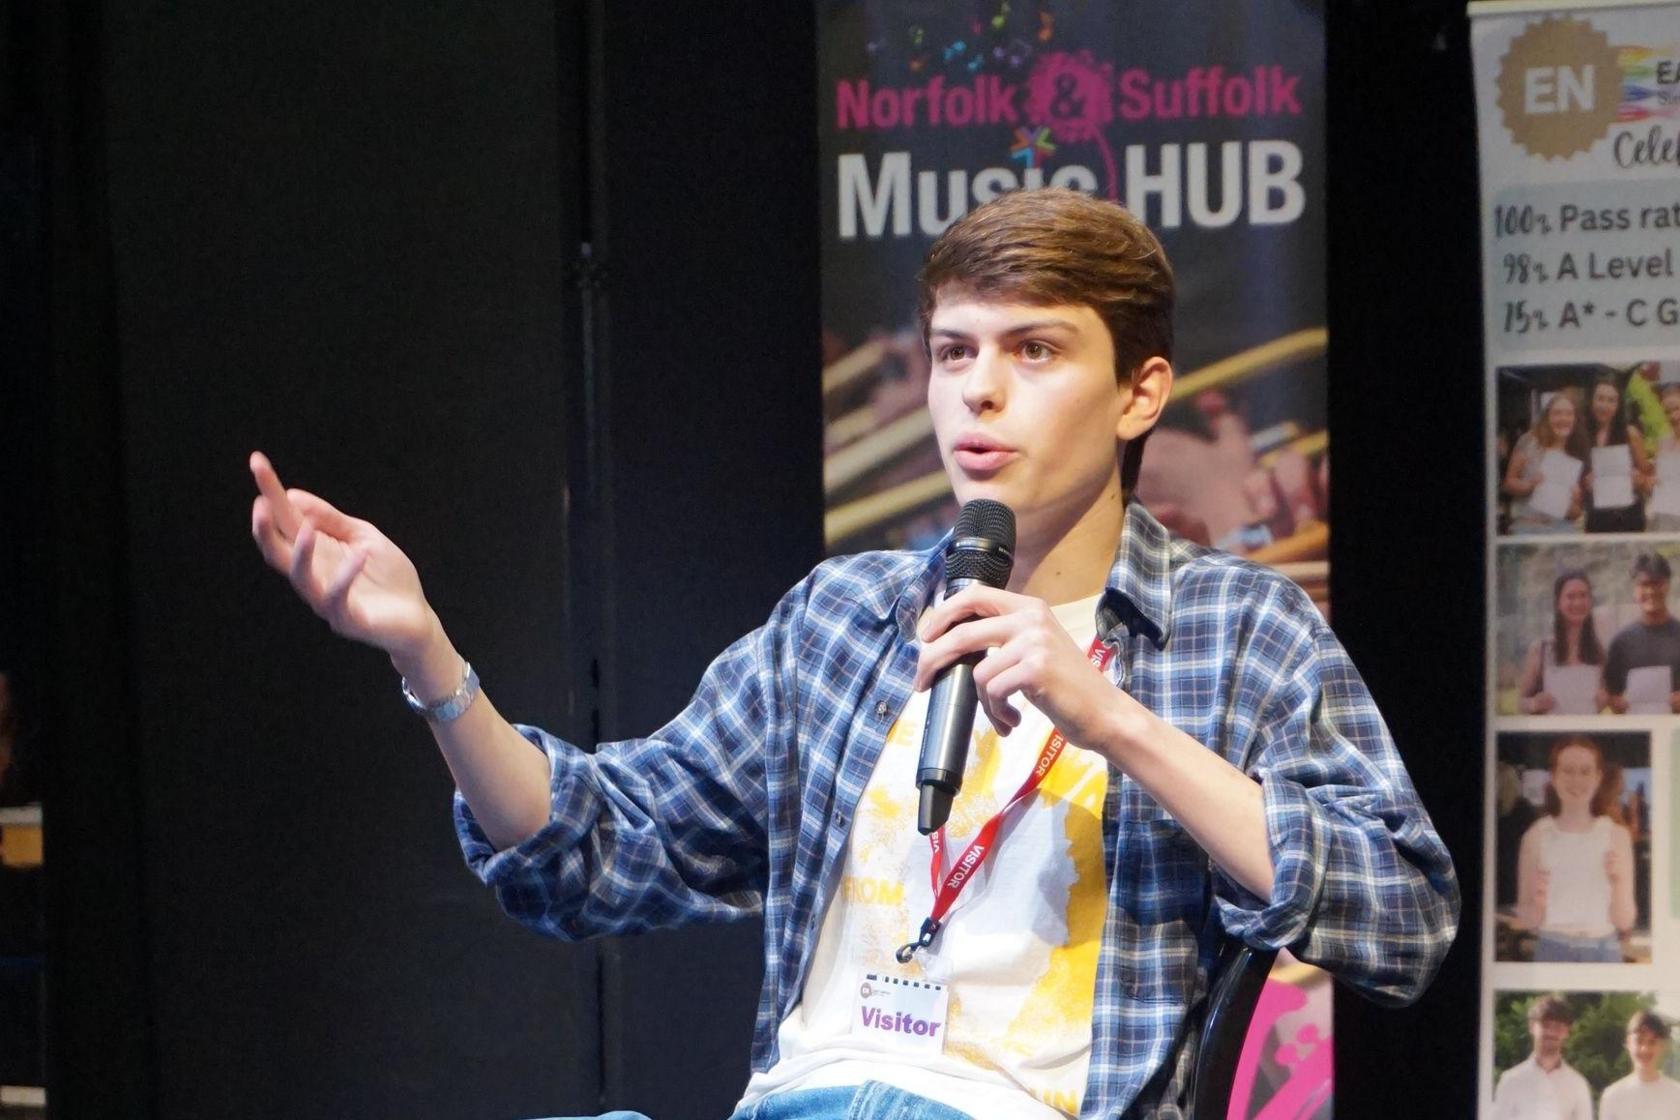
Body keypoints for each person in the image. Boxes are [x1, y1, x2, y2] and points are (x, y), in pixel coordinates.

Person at [249, 187, 1459, 1120]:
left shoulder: (1239, 632)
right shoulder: (846, 616)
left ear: (1141, 393)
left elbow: (1402, 915)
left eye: (1033, 351)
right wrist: (426, 654)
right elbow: (596, 846)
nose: (977, 394)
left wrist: (1116, 722)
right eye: (952, 352)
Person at [1514, 736, 1636, 962]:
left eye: (1585, 771)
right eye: (1567, 771)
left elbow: (1625, 921)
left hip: (1604, 950)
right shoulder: (1535, 836)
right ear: (1554, 777)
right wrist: (1537, 904)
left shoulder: (1617, 836)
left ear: (1598, 777)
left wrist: (1617, 882)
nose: (1576, 780)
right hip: (1552, 948)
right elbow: (1527, 919)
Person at [1601, 553, 1680, 715]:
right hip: (1635, 733)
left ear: (1668, 585)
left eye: (1656, 583)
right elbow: (1610, 694)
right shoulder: (1621, 643)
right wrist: (1617, 703)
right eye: (1644, 584)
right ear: (1634, 589)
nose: (1650, 591)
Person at [1517, 569, 1604, 716]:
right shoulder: (1541, 650)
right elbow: (1520, 703)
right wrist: (1533, 704)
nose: (1578, 603)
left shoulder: (1598, 651)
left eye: (1583, 596)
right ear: (1558, 603)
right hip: (1550, 736)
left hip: (1585, 736)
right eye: (1570, 597)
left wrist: (1602, 702)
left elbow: (1598, 704)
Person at [1493, 995, 1594, 1120]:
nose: (1551, 1032)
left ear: (1566, 1032)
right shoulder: (1510, 1081)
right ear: (1531, 1027)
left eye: (1558, 1027)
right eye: (1546, 1025)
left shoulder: (1578, 1084)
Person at [1502, 391, 1585, 535]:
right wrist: (1530, 486)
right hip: (1528, 528)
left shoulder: (1577, 452)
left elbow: (1576, 514)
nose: (1563, 418)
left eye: (1569, 414)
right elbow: (1508, 484)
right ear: (1547, 417)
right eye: (1557, 413)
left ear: (1575, 419)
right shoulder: (1529, 441)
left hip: (1562, 529)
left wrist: (1573, 501)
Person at [1581, 374, 1650, 533]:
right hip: (1597, 518)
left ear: (1619, 405)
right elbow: (1575, 485)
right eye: (1600, 398)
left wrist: (1638, 481)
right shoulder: (1582, 435)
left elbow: (1647, 481)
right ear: (1592, 401)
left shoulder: (1631, 434)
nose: (1604, 405)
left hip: (1629, 517)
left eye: (1611, 400)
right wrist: (1586, 484)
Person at [1599, 1010, 1680, 1120]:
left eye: (1652, 1042)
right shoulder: (1612, 1096)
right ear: (1628, 1044)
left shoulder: (1676, 1094)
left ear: (1662, 1046)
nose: (1645, 1049)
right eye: (1639, 1041)